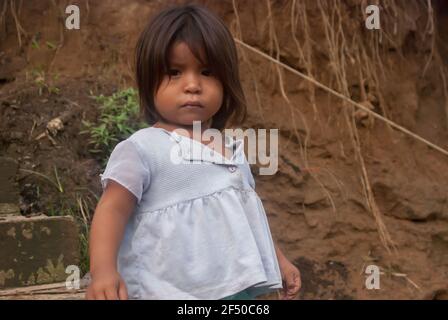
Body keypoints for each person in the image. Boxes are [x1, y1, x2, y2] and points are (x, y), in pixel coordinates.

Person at [86, 3, 301, 300]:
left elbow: (246, 213)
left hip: (235, 290)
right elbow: (112, 209)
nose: (192, 85)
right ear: (149, 83)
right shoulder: (143, 149)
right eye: (174, 72)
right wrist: (103, 273)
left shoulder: (230, 150)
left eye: (207, 71)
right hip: (168, 292)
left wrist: (278, 261)